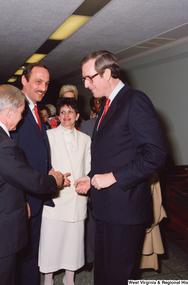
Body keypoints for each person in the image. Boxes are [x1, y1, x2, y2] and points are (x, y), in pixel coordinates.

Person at [74, 50, 166, 285]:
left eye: (89, 78)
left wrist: (113, 177)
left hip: (124, 210)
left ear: (106, 73)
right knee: (103, 275)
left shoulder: (135, 100)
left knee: (117, 277)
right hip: (105, 208)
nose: (85, 85)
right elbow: (112, 153)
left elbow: (155, 155)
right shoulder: (107, 105)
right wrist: (91, 177)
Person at [0, 84, 64, 285]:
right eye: (20, 113)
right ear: (9, 112)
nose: (21, 118)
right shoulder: (3, 143)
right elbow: (33, 182)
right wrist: (55, 179)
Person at [11, 63, 61, 285]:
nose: (43, 87)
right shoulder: (15, 110)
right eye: (38, 82)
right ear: (24, 80)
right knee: (22, 257)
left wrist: (47, 169)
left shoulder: (33, 110)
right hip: (26, 198)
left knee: (30, 253)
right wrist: (21, 200)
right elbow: (12, 161)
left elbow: (32, 149)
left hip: (36, 195)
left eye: (46, 83)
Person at [39, 97, 91, 285]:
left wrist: (87, 181)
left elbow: (89, 166)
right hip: (56, 198)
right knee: (50, 241)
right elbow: (41, 164)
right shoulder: (49, 136)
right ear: (58, 116)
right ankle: (48, 279)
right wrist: (51, 175)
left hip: (77, 199)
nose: (66, 115)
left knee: (74, 243)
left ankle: (69, 278)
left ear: (77, 116)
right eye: (62, 112)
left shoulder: (86, 140)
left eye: (70, 112)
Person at [79, 96, 105, 273]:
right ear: (93, 107)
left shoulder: (118, 122)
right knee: (90, 223)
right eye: (96, 101)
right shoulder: (87, 126)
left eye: (102, 100)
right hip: (91, 178)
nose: (100, 104)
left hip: (111, 180)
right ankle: (89, 258)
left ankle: (104, 257)